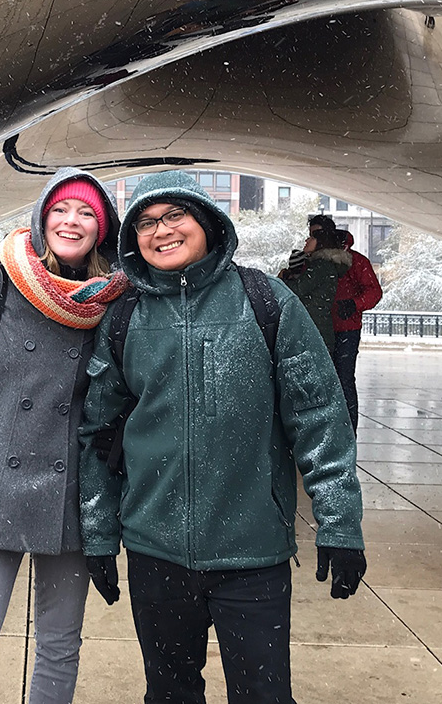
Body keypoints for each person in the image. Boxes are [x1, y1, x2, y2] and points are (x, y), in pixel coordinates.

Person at [80, 171, 365, 704]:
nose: (160, 231)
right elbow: (98, 435)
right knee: (169, 694)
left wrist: (340, 525)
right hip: (155, 554)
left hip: (252, 555)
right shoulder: (123, 320)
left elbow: (320, 417)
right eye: (144, 222)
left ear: (208, 222)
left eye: (173, 216)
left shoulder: (266, 301)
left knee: (264, 695)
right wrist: (98, 535)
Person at [0, 168, 129, 704]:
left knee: (60, 653)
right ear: (41, 218)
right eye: (60, 209)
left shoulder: (114, 300)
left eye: (86, 212)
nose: (71, 221)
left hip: (71, 498)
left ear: (101, 229)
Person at [309, 215, 383, 433]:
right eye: (312, 234)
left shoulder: (356, 261)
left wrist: (354, 304)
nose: (313, 238)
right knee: (323, 380)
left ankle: (348, 429)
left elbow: (374, 291)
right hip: (321, 329)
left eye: (317, 234)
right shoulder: (311, 260)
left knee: (343, 379)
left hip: (346, 330)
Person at [280, 228, 352, 350]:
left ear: (321, 242)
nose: (307, 240)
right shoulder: (323, 264)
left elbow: (298, 289)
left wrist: (280, 281)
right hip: (319, 327)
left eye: (312, 238)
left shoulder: (321, 266)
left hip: (314, 328)